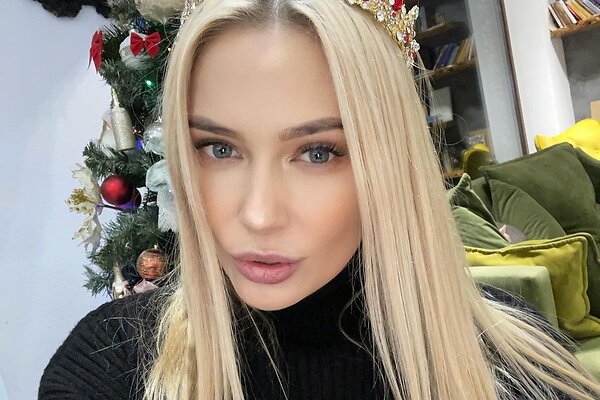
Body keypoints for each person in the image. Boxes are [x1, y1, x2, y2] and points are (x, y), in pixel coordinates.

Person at [39, 0, 600, 399]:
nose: (258, 214)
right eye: (218, 148)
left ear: (392, 163)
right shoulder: (106, 369)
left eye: (317, 153)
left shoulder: (523, 368)